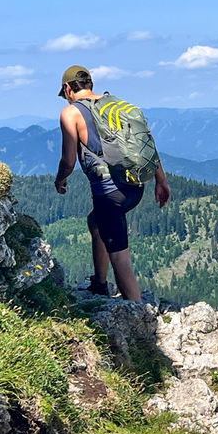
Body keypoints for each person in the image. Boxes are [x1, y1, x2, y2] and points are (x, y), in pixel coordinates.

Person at [53, 64, 171, 300]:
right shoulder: (115, 104)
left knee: (120, 257)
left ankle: (139, 316)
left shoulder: (71, 113)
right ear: (90, 85)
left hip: (109, 192)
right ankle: (99, 283)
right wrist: (161, 181)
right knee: (95, 221)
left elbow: (68, 160)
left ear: (68, 89)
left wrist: (61, 180)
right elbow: (144, 142)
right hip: (135, 186)